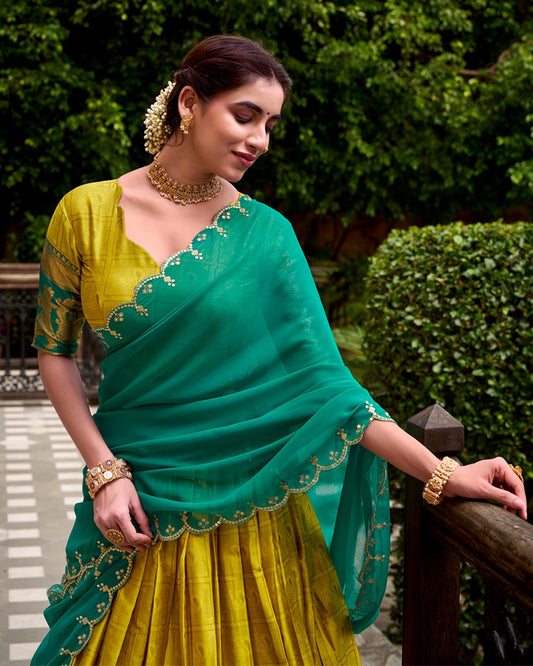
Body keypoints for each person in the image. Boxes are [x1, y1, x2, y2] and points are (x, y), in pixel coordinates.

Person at [31, 35, 527, 666]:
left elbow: (328, 386)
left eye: (270, 125)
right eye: (245, 116)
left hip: (254, 508)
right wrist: (104, 471)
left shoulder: (267, 236)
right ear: (189, 103)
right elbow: (54, 351)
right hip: (137, 501)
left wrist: (441, 471)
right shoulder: (84, 213)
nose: (260, 140)